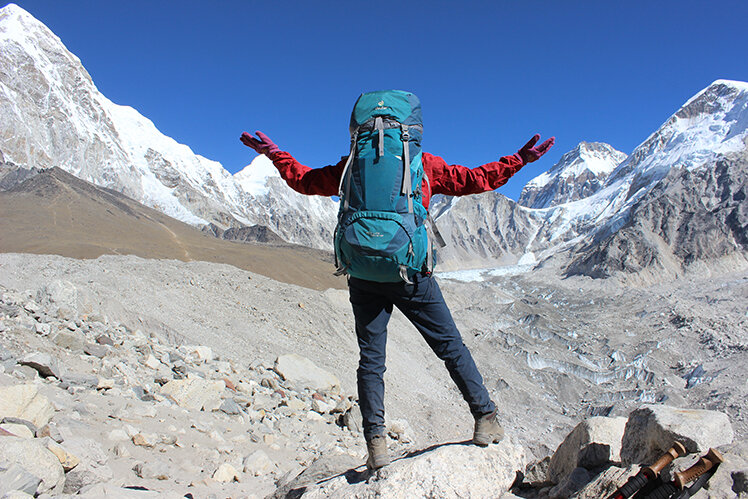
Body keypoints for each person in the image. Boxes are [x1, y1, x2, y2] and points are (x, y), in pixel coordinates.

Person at [240, 94, 554, 470]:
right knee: (450, 347)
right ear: (410, 132)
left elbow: (304, 181)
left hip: (363, 273)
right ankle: (485, 419)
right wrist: (518, 160)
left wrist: (276, 154)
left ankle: (376, 444)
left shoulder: (350, 166)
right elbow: (476, 180)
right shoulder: (425, 165)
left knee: (371, 361)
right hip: (410, 273)